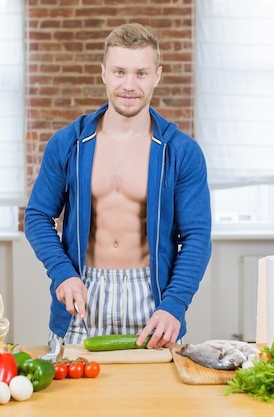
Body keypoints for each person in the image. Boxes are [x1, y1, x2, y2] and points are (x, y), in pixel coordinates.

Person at [24, 23, 211, 350]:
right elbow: (37, 216)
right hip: (82, 296)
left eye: (141, 73)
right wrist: (63, 273)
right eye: (120, 71)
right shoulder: (69, 143)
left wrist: (175, 304)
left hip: (153, 302)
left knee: (157, 402)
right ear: (104, 73)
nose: (129, 85)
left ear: (157, 75)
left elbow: (196, 237)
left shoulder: (182, 151)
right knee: (72, 400)